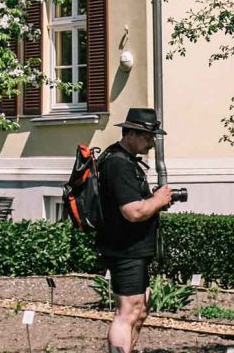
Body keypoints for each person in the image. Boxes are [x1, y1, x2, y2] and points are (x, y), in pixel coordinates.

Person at [97, 108, 175, 353]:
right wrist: (159, 200)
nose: (152, 143)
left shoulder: (124, 160)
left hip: (134, 248)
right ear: (129, 133)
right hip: (125, 249)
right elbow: (133, 211)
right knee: (127, 311)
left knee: (140, 309)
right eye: (147, 137)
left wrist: (153, 200)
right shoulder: (118, 164)